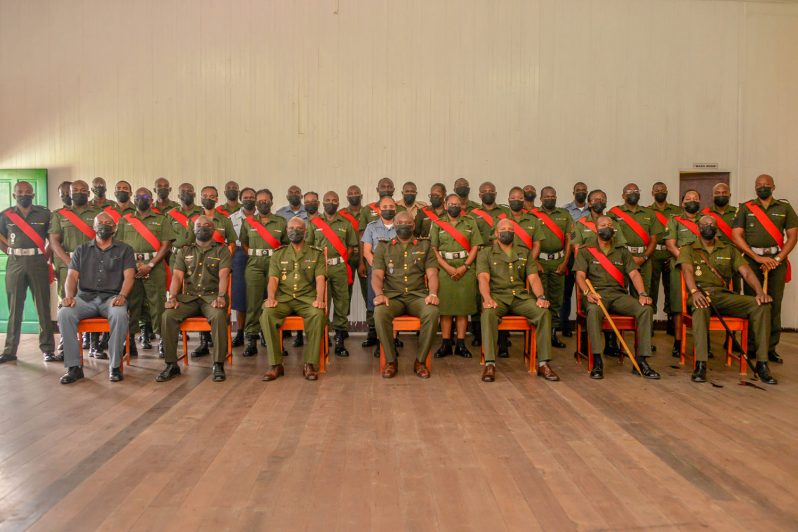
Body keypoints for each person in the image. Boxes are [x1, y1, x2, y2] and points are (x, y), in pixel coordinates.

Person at [679, 215, 777, 384]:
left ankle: (762, 364)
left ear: (716, 227)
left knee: (761, 305)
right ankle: (701, 364)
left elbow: (746, 272)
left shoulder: (729, 249)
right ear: (698, 228)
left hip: (724, 296)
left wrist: (760, 292)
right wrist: (694, 292)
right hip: (701, 294)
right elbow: (687, 270)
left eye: (712, 224)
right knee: (701, 307)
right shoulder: (688, 248)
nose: (708, 227)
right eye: (705, 225)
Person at [574, 215, 658, 380]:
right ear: (596, 229)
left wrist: (642, 294)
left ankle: (641, 360)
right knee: (593, 311)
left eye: (610, 225)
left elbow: (634, 274)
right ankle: (597, 361)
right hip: (596, 295)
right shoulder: (586, 251)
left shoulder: (622, 251)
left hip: (619, 296)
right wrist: (587, 293)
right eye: (603, 225)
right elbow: (580, 276)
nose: (607, 227)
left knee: (645, 309)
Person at [57, 212, 135, 384]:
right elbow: (71, 277)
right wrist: (69, 297)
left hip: (112, 299)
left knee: (119, 314)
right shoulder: (81, 250)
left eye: (108, 223)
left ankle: (114, 367)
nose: (104, 225)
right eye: (100, 222)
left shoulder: (125, 250)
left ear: (114, 227)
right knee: (64, 314)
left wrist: (122, 295)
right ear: (93, 227)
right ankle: (74, 368)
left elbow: (129, 277)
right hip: (85, 299)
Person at [478, 218, 559, 382]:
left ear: (514, 233)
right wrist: (487, 298)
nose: (506, 231)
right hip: (498, 297)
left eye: (510, 229)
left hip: (520, 297)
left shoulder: (524, 252)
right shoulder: (485, 253)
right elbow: (483, 279)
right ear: (496, 233)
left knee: (543, 312)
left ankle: (543, 364)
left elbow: (534, 278)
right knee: (488, 314)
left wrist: (541, 297)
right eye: (503, 229)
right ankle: (490, 364)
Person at [156, 215, 232, 383]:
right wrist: (173, 297)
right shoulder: (185, 251)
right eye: (198, 225)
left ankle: (218, 364)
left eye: (206, 225)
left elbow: (224, 275)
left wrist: (221, 296)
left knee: (219, 316)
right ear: (193, 229)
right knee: (168, 315)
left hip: (211, 297)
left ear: (213, 230)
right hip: (189, 298)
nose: (202, 228)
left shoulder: (222, 250)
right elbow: (177, 276)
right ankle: (171, 364)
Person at [732, 174, 798, 364]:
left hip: (777, 261)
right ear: (755, 187)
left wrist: (777, 258)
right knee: (754, 302)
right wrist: (756, 257)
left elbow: (793, 236)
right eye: (759, 185)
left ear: (773, 187)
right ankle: (752, 347)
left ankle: (770, 348)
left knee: (774, 304)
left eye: (766, 185)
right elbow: (736, 235)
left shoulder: (784, 208)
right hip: (753, 260)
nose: (762, 187)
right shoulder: (746, 208)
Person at [372, 211, 441, 379]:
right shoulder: (383, 246)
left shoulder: (424, 246)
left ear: (414, 225)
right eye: (400, 222)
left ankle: (420, 361)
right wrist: (379, 294)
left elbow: (432, 274)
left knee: (432, 312)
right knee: (380, 312)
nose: (404, 225)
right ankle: (391, 361)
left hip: (417, 296)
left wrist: (432, 293)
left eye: (408, 222)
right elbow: (377, 275)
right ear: (394, 226)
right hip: (392, 297)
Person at [260, 217, 327, 382]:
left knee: (317, 314)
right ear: (286, 231)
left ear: (305, 232)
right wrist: (270, 298)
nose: (294, 231)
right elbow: (273, 280)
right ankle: (275, 364)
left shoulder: (315, 253)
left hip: (307, 299)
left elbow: (320, 279)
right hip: (284, 298)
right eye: (290, 228)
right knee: (267, 314)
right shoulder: (278, 254)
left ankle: (310, 364)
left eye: (298, 228)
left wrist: (319, 299)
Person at [0, 182, 57, 363]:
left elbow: (54, 239)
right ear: (14, 195)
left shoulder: (44, 213)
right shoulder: (5, 215)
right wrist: (9, 251)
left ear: (33, 194)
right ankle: (9, 351)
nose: (23, 195)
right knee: (14, 309)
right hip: (15, 263)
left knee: (43, 307)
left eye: (27, 192)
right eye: (20, 192)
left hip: (37, 262)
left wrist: (45, 256)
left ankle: (47, 349)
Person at [115, 187, 176, 358]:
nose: (141, 199)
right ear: (133, 199)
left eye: (145, 196)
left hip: (154, 266)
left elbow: (166, 245)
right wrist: (132, 266)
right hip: (130, 267)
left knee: (158, 305)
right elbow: (118, 245)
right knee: (132, 305)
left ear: (151, 200)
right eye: (138, 196)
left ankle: (162, 340)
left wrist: (150, 264)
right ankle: (130, 341)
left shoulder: (161, 219)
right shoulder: (124, 220)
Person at [572, 189, 628, 357]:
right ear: (589, 203)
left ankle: (611, 343)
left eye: (602, 199)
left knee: (613, 303)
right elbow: (577, 248)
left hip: (613, 272)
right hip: (589, 271)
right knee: (591, 306)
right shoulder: (581, 223)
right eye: (595, 199)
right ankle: (584, 343)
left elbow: (619, 247)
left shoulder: (614, 223)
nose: (599, 201)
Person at [48, 180, 99, 356]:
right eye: (75, 190)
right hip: (67, 264)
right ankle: (66, 340)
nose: (79, 192)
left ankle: (94, 343)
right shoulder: (59, 215)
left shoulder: (97, 213)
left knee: (93, 301)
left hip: (93, 265)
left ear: (89, 193)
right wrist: (70, 262)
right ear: (69, 193)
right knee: (67, 301)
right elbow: (54, 240)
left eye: (83, 190)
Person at [431, 193, 483, 358]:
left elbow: (475, 246)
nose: (454, 206)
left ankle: (461, 344)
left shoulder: (470, 222)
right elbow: (433, 249)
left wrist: (465, 266)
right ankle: (446, 343)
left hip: (465, 268)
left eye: (457, 204)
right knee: (445, 309)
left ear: (462, 206)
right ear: (445, 205)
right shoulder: (437, 224)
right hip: (444, 269)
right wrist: (446, 267)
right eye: (451, 204)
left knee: (462, 309)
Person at [307, 191, 358, 357]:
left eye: (334, 200)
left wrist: (341, 261)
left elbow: (351, 246)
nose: (331, 202)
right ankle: (323, 336)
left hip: (339, 268)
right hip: (320, 268)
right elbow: (308, 246)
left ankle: (339, 339)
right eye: (328, 200)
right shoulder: (314, 223)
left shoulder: (346, 223)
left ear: (338, 202)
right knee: (322, 302)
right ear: (322, 202)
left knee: (342, 302)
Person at [239, 189, 287, 356]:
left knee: (275, 301)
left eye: (266, 200)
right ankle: (251, 339)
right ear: (255, 203)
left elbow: (286, 245)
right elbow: (243, 244)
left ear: (272, 202)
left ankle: (271, 336)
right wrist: (255, 254)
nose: (263, 203)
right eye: (260, 201)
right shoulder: (248, 222)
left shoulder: (281, 222)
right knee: (253, 303)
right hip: (254, 266)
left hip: (275, 266)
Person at [191, 185, 237, 356]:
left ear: (217, 199)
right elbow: (190, 244)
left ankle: (219, 343)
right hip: (199, 268)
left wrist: (225, 259)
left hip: (220, 266)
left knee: (218, 299)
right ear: (200, 198)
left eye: (212, 196)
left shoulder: (224, 220)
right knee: (200, 296)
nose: (208, 198)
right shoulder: (195, 220)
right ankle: (204, 342)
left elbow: (232, 242)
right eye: (205, 195)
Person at [530, 186, 573, 347]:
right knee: (539, 298)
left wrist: (565, 262)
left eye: (553, 196)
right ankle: (540, 335)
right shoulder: (533, 215)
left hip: (558, 262)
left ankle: (553, 334)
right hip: (539, 262)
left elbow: (569, 240)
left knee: (556, 300)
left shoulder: (564, 215)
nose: (550, 198)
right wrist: (534, 262)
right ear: (540, 199)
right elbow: (529, 240)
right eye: (546, 196)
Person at [468, 181, 508, 346]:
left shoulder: (505, 212)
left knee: (502, 290)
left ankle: (503, 339)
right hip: (480, 255)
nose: (488, 193)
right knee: (479, 294)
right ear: (479, 195)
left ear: (496, 193)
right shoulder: (472, 213)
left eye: (491, 190)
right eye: (484, 191)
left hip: (502, 255)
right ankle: (479, 335)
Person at [664, 190, 702, 358]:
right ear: (682, 203)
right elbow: (671, 245)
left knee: (702, 303)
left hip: (703, 269)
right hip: (679, 266)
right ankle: (678, 342)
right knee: (679, 305)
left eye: (695, 198)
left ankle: (702, 344)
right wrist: (687, 261)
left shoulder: (706, 221)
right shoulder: (675, 220)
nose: (692, 201)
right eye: (688, 199)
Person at [360, 196, 399, 352]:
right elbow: (367, 251)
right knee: (377, 305)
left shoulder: (400, 225)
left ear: (395, 208)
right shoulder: (371, 227)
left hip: (397, 273)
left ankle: (394, 341)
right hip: (376, 271)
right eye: (385, 206)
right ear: (379, 209)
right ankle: (379, 342)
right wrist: (378, 268)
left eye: (391, 206)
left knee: (394, 304)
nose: (388, 209)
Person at [649, 182, 682, 335]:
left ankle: (671, 322)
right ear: (652, 193)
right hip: (654, 254)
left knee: (672, 288)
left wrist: (676, 252)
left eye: (663, 190)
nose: (660, 192)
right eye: (657, 190)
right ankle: (649, 322)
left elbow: (681, 232)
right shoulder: (648, 211)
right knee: (651, 288)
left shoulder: (676, 210)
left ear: (667, 191)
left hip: (671, 254)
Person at [560, 181, 590, 337]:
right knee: (566, 293)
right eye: (578, 190)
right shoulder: (565, 211)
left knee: (585, 291)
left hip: (588, 258)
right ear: (573, 192)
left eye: (583, 190)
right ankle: (564, 326)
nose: (581, 192)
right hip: (570, 256)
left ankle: (585, 329)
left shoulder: (592, 210)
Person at [228, 187, 257, 347]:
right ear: (240, 198)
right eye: (246, 197)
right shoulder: (231, 218)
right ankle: (240, 332)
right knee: (240, 295)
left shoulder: (262, 218)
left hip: (259, 256)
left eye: (252, 197)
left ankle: (260, 331)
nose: (249, 199)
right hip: (239, 256)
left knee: (261, 294)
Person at [339, 185, 367, 337]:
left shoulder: (367, 212)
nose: (354, 195)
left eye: (356, 193)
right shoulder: (341, 214)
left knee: (368, 292)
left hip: (364, 256)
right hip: (347, 256)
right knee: (344, 293)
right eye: (351, 193)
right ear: (347, 196)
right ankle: (342, 328)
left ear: (361, 195)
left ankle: (373, 328)